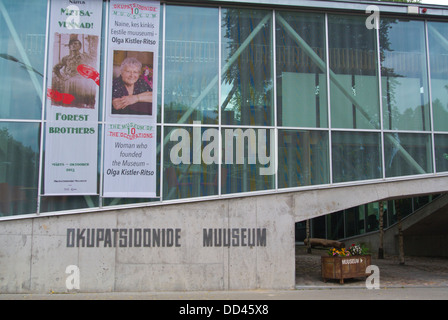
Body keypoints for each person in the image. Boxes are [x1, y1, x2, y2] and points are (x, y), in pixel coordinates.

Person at [52, 34, 97, 108]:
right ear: (69, 47)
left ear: (80, 46)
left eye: (75, 44)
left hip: (82, 83)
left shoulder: (85, 57)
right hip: (68, 83)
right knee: (69, 103)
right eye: (71, 44)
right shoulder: (66, 58)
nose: (73, 45)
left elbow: (94, 66)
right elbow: (55, 68)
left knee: (81, 102)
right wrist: (62, 78)